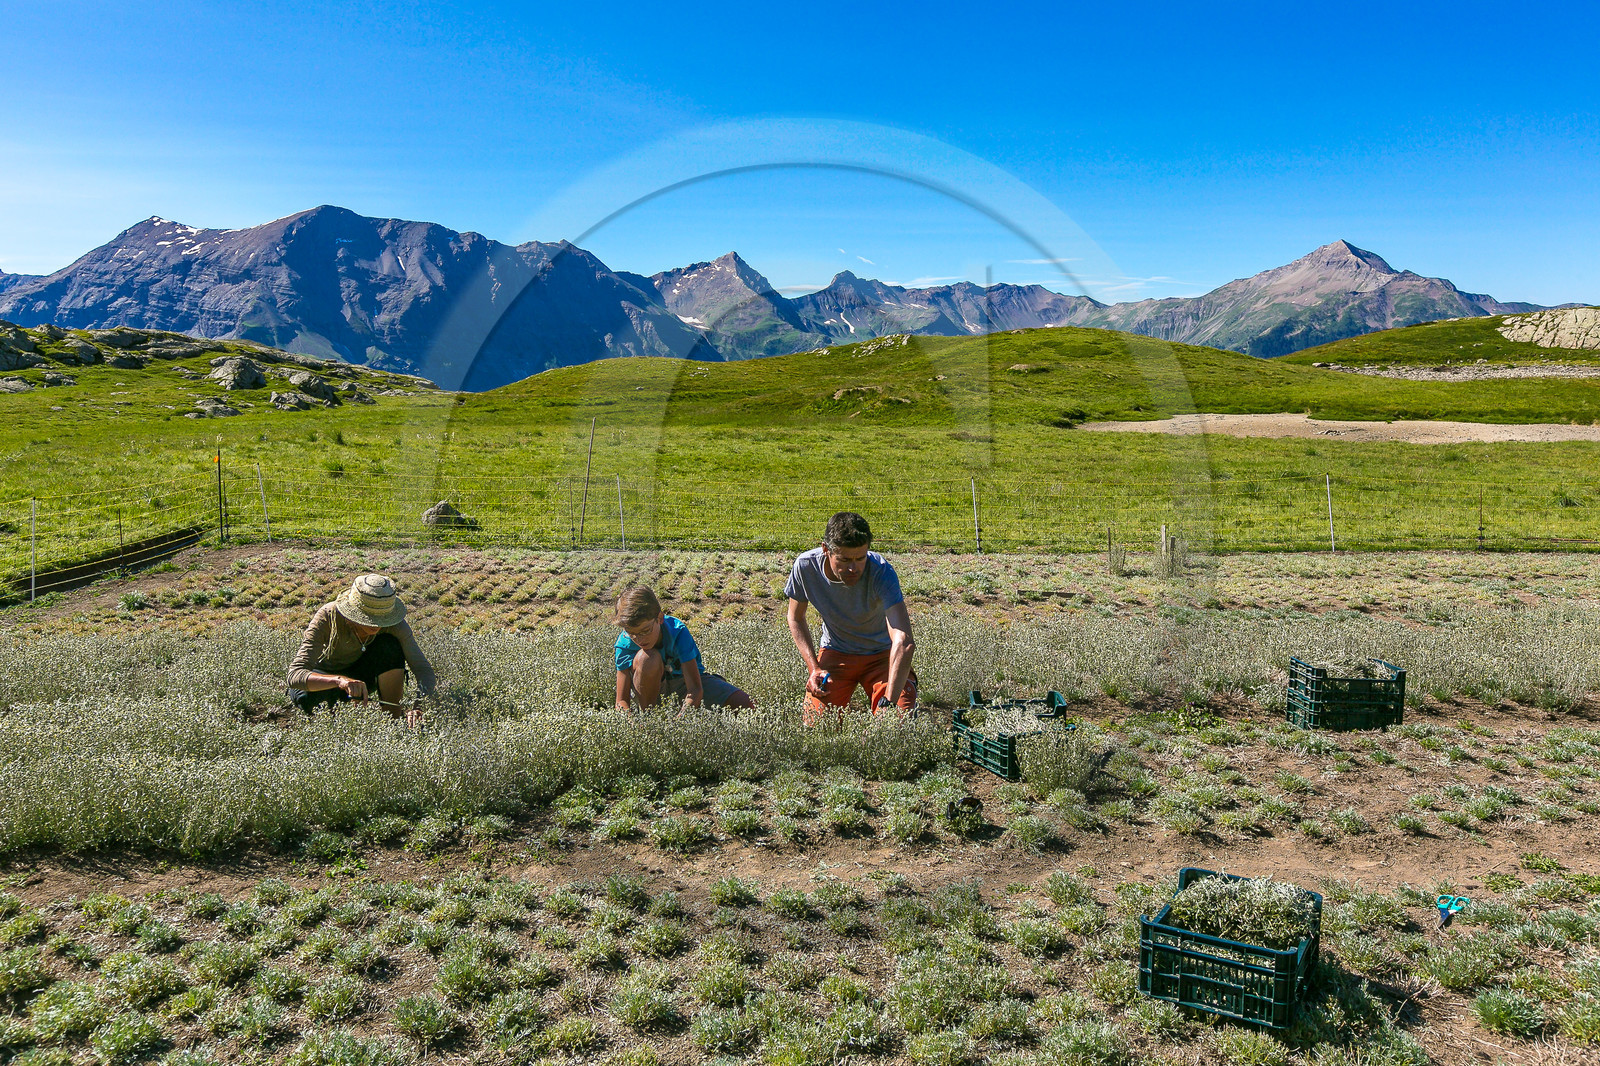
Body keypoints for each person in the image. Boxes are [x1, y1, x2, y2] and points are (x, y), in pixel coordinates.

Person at [784, 511, 917, 725]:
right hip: (836, 653)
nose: (854, 568)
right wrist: (814, 668)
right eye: (844, 560)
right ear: (826, 550)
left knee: (895, 725)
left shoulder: (881, 571)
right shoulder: (806, 566)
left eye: (860, 558)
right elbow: (795, 617)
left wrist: (890, 704)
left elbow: (903, 641)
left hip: (882, 656)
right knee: (816, 728)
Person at [287, 574, 435, 726]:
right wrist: (340, 681)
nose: (377, 625)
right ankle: (336, 725)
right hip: (326, 682)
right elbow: (294, 675)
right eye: (369, 617)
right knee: (308, 699)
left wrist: (419, 706)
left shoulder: (395, 625)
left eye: (382, 618)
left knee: (389, 645)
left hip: (362, 682)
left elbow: (423, 670)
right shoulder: (328, 616)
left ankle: (393, 722)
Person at [614, 586, 754, 711]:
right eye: (632, 633)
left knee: (747, 704)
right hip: (648, 693)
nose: (640, 639)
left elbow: (695, 689)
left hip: (684, 685)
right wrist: (632, 724)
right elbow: (621, 701)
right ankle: (649, 716)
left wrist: (679, 724)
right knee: (647, 658)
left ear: (660, 618)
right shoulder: (624, 643)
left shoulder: (677, 631)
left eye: (645, 631)